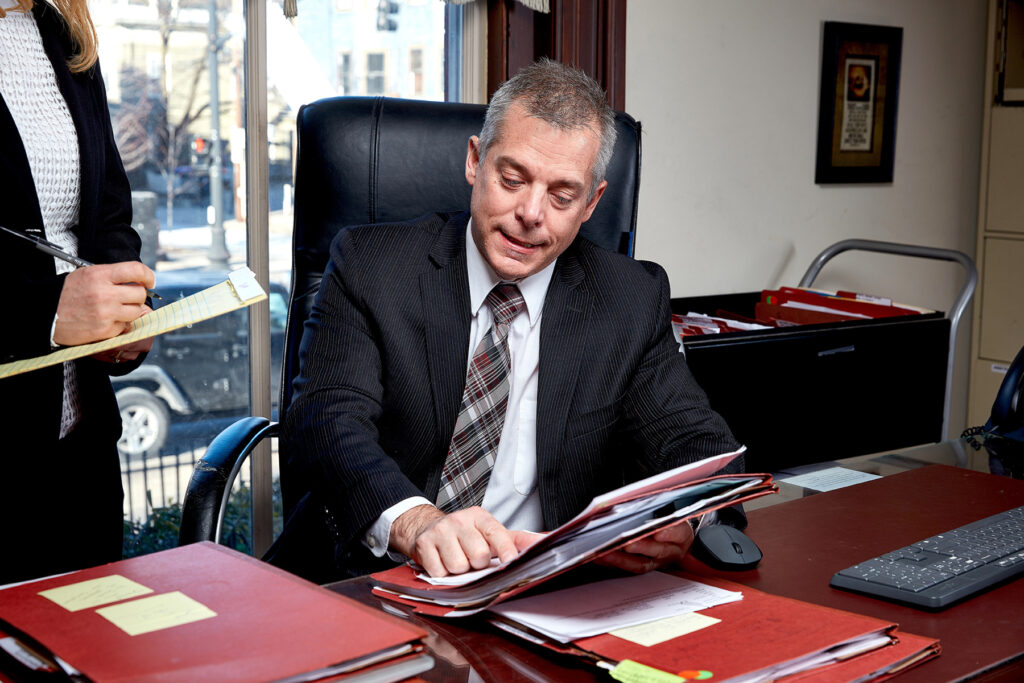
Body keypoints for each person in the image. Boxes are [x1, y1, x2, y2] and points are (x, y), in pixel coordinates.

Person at [278, 58, 742, 582]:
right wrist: (416, 521)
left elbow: (698, 445)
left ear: (592, 202)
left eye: (562, 195)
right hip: (370, 578)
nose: (531, 213)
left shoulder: (628, 298)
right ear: (476, 161)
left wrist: (690, 516)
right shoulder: (374, 266)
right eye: (513, 178)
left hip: (542, 595)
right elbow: (326, 421)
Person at [0, 0, 155, 584]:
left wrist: (122, 315)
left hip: (80, 450)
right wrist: (47, 313)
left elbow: (107, 209)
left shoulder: (62, 31)